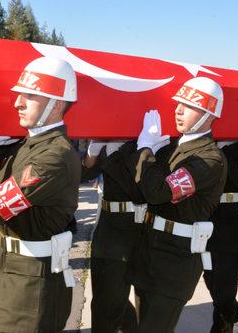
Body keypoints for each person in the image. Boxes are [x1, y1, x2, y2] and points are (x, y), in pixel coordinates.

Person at [0, 56, 81, 332]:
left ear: (57, 104)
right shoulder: (31, 146)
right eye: (19, 94)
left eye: (30, 95)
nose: (17, 103)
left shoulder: (53, 157)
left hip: (29, 290)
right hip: (10, 275)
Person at [127, 77, 227, 332]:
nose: (178, 111)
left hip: (176, 259)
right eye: (178, 104)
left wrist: (145, 150)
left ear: (208, 114)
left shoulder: (210, 159)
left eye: (188, 106)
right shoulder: (172, 148)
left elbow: (158, 192)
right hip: (150, 247)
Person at [81, 140, 143, 333]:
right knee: (105, 299)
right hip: (110, 228)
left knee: (142, 304)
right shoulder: (107, 138)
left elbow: (139, 190)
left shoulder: (148, 139)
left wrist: (115, 154)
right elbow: (84, 174)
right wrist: (92, 153)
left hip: (141, 225)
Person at [203, 139, 238, 333]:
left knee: (223, 287)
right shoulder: (209, 140)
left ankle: (226, 325)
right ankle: (235, 318)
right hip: (210, 218)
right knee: (211, 279)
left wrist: (222, 149)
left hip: (235, 222)